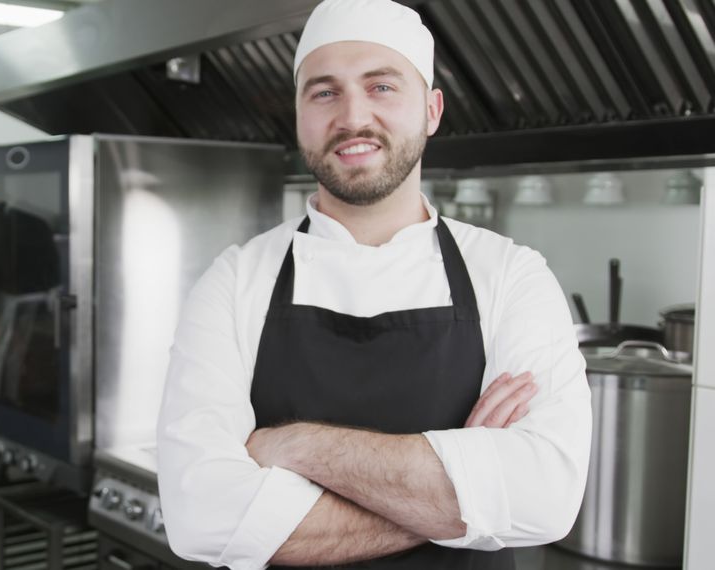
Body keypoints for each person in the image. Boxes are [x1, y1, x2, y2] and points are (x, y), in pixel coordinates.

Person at [156, 1, 592, 568]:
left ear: (432, 110)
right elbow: (201, 518)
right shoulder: (237, 279)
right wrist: (461, 491)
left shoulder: (511, 275)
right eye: (324, 92)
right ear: (298, 113)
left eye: (382, 86)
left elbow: (545, 500)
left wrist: (292, 445)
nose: (352, 117)